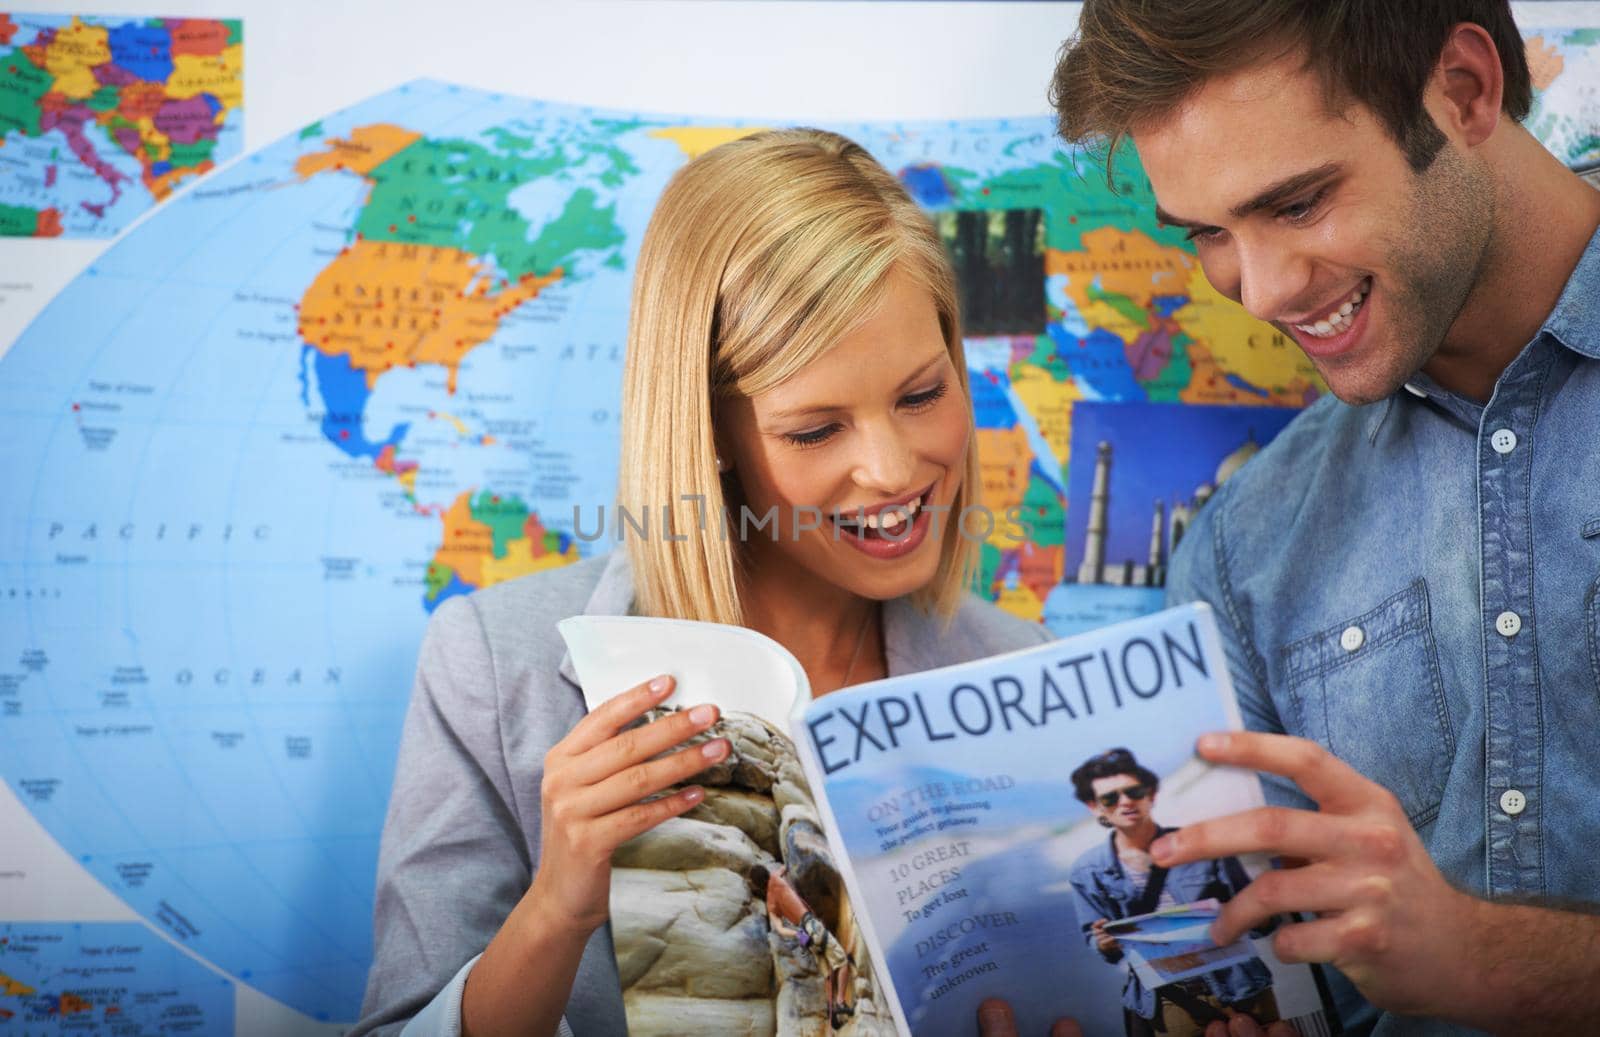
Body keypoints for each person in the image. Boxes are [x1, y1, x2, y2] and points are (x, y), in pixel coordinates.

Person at [350, 127, 1054, 1037]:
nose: (891, 468)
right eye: (814, 430)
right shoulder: (494, 667)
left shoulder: (1025, 671)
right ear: (707, 433)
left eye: (921, 394)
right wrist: (557, 909)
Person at [1049, 1, 1600, 1034]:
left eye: (1296, 204)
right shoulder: (1242, 551)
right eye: (1209, 232)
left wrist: (1493, 960)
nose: (1257, 291)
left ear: (1465, 92)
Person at [1066, 750, 1282, 1037]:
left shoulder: (1201, 845)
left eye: (1134, 791)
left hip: (1240, 984)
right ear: (1095, 807)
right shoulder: (1087, 872)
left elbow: (1262, 922)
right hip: (1172, 998)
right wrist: (1104, 942)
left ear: (1150, 794)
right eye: (1110, 797)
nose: (1125, 801)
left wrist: (1254, 911)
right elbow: (1097, 944)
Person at [749, 863, 856, 1030]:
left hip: (804, 933)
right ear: (766, 873)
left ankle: (832, 1012)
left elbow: (781, 930)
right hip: (812, 924)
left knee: (827, 971)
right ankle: (841, 1002)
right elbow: (785, 867)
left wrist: (798, 934)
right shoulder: (777, 878)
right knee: (841, 961)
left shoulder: (770, 905)